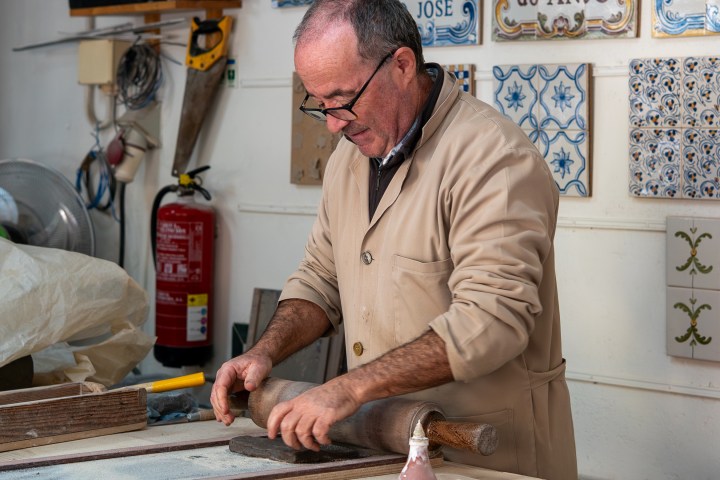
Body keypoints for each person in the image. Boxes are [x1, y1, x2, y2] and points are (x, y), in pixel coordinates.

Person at [211, 1, 578, 478]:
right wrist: (264, 351)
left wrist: (349, 388)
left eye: (344, 98)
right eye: (319, 103)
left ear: (403, 65)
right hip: (389, 446)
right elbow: (321, 281)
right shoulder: (351, 158)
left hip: (488, 452)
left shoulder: (494, 158)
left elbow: (493, 320)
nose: (333, 124)